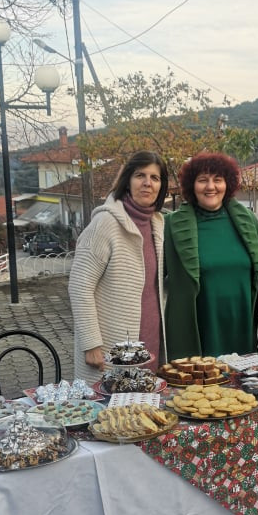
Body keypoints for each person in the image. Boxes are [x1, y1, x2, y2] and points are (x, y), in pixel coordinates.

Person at [68, 150, 169, 383]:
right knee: (110, 404)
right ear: (127, 181)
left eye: (155, 178)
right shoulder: (105, 223)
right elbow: (80, 286)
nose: (147, 183)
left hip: (148, 338)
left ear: (161, 186)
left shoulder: (157, 223)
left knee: (142, 403)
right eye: (140, 175)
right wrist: (91, 344)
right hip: (110, 346)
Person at [164, 151, 258, 358]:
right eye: (203, 180)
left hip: (241, 326)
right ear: (192, 185)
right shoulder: (171, 226)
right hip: (198, 330)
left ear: (227, 184)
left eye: (217, 180)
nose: (210, 187)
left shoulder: (248, 221)